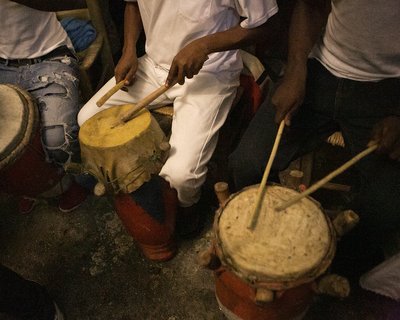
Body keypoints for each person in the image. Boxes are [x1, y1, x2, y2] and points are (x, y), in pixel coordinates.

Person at [78, 1, 280, 240]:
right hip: (152, 65)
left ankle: (186, 217)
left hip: (210, 72)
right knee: (88, 121)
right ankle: (140, 185)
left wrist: (204, 45)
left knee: (179, 178)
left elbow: (266, 25)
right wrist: (129, 49)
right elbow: (132, 4)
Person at [229, 0, 400, 278]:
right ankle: (261, 248)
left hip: (388, 90)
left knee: (387, 206)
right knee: (246, 163)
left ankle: (332, 268)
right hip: (320, 68)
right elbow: (311, 6)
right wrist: (296, 69)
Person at [0, 0, 90, 214]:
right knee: (7, 146)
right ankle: (33, 186)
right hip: (3, 66)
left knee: (58, 143)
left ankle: (68, 181)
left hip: (50, 56)